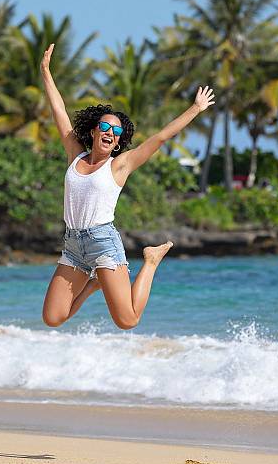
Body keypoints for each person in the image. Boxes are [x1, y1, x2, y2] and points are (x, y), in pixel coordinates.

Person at [41, 43, 215, 330]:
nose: (110, 132)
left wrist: (195, 109)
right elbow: (58, 110)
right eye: (105, 127)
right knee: (53, 318)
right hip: (73, 245)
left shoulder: (119, 165)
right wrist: (46, 72)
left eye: (117, 131)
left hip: (103, 244)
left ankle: (151, 260)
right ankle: (93, 285)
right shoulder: (76, 156)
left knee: (128, 320)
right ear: (94, 131)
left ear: (119, 142)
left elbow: (159, 138)